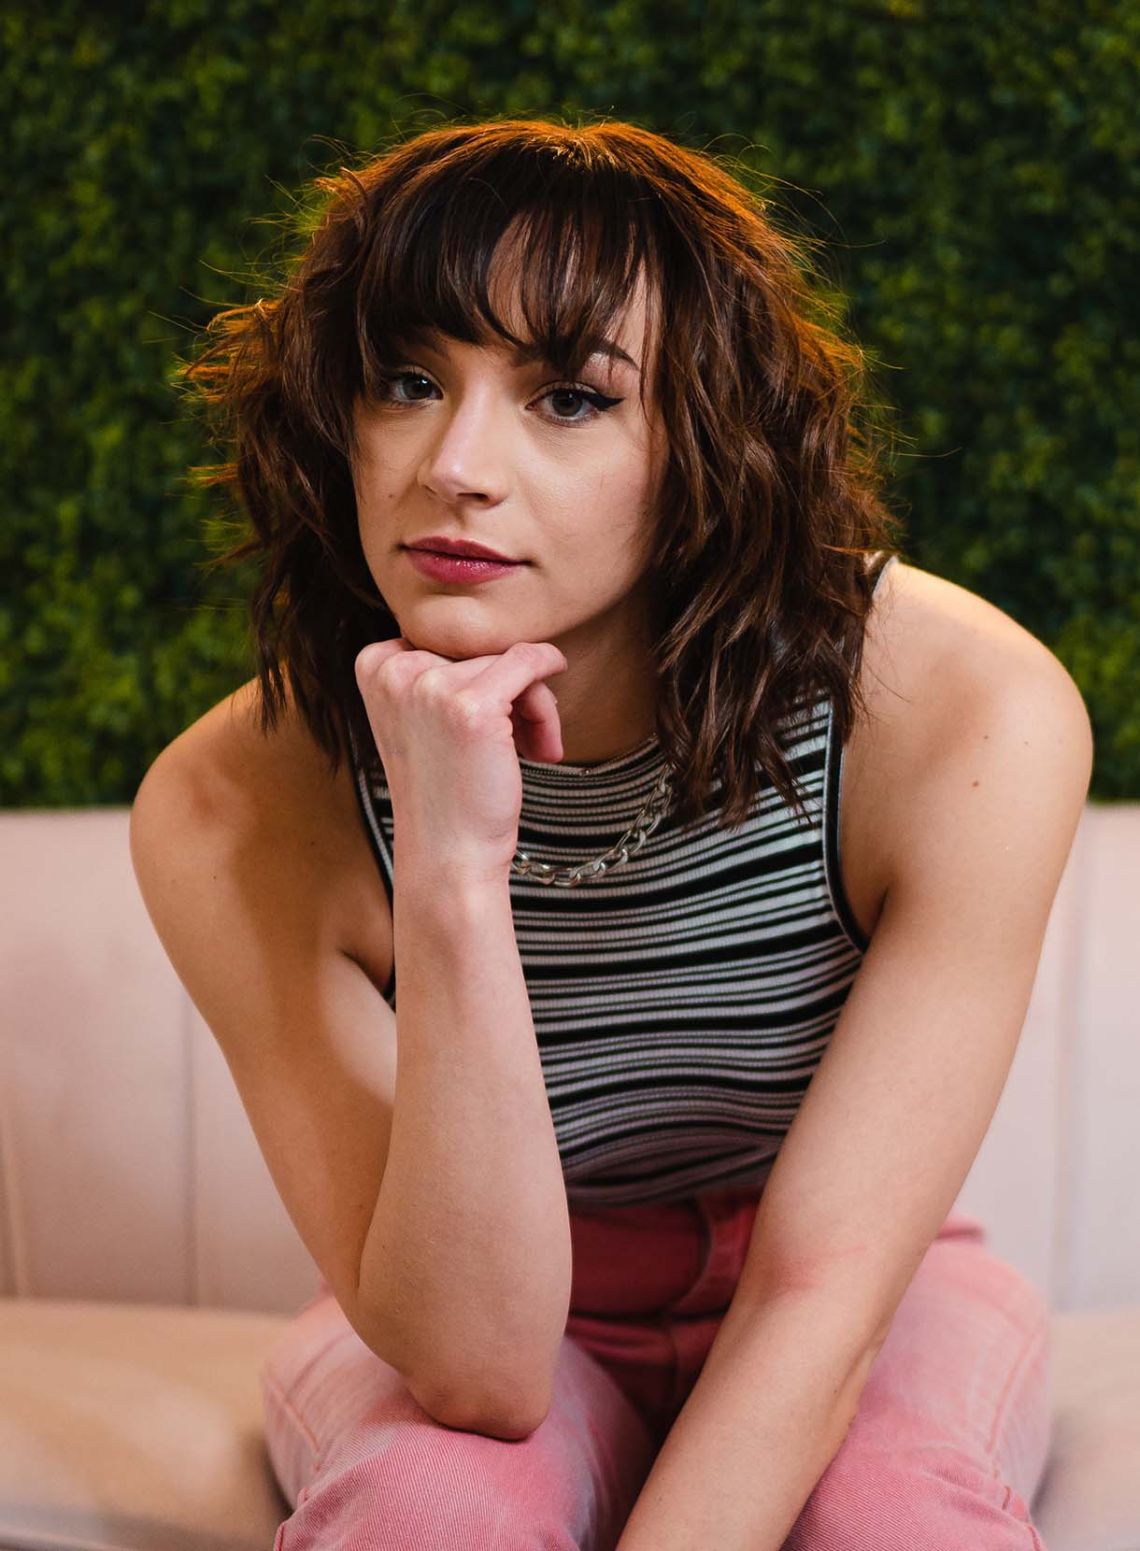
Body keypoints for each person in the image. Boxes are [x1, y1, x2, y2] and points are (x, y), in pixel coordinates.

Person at [130, 117, 1092, 1550]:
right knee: (424, 1512)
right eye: (407, 381)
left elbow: (821, 1295)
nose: (456, 466)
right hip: (495, 1310)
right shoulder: (236, 807)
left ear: (708, 439)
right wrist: (454, 874)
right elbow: (480, 1368)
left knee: (895, 1524)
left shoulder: (955, 714)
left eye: (570, 398)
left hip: (860, 1294)